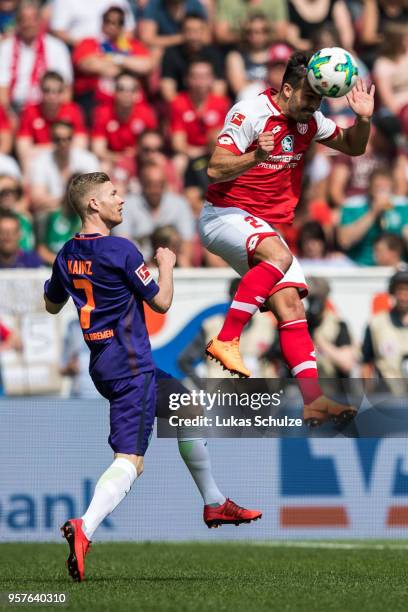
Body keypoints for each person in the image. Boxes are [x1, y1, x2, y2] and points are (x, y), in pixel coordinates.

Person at [44, 172, 261, 582]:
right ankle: (85, 527)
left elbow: (52, 304)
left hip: (106, 364)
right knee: (132, 461)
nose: (121, 199)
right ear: (93, 205)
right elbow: (160, 302)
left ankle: (214, 501)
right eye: (112, 194)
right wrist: (166, 266)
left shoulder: (66, 253)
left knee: (187, 406)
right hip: (131, 366)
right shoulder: (121, 251)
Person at [199, 50, 375, 426]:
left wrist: (363, 118)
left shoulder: (311, 122)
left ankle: (313, 400)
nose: (313, 107)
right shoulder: (249, 113)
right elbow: (214, 169)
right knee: (278, 257)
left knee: (292, 306)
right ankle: (227, 339)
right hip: (224, 215)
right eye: (309, 98)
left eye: (319, 100)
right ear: (288, 89)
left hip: (261, 226)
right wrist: (254, 157)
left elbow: (355, 146)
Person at [72, 5, 152, 117]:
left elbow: (147, 65)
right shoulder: (89, 43)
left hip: (130, 104)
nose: (111, 26)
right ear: (102, 23)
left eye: (117, 23)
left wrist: (115, 59)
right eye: (108, 21)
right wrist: (127, 65)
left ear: (123, 26)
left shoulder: (132, 45)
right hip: (96, 102)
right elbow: (87, 64)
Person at [114, 162, 195, 266]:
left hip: (173, 264)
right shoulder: (126, 205)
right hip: (137, 266)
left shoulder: (179, 204)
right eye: (150, 184)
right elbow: (123, 242)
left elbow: (187, 241)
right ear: (142, 183)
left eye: (160, 184)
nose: (155, 189)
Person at [0, 0, 73, 112]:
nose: (28, 24)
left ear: (40, 21)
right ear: (17, 22)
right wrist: (9, 116)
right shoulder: (5, 47)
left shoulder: (57, 47)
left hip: (46, 109)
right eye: (23, 20)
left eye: (32, 19)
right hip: (13, 108)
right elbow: (2, 91)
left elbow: (65, 90)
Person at [16, 70, 87, 175]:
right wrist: (58, 147)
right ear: (40, 90)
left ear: (63, 92)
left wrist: (43, 148)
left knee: (86, 160)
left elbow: (81, 145)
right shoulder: (30, 111)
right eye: (47, 90)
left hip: (65, 158)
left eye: (57, 91)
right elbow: (23, 150)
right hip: (41, 160)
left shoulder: (73, 110)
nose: (52, 95)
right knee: (27, 162)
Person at [337, 167, 408, 266]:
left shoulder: (402, 206)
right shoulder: (353, 206)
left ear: (393, 189)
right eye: (378, 188)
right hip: (359, 266)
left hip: (395, 267)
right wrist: (374, 212)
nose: (382, 192)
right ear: (370, 189)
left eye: (386, 188)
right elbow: (344, 241)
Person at [91, 71, 157, 174]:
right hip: (113, 160)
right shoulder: (103, 112)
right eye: (121, 89)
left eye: (131, 90)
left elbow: (153, 144)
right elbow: (98, 149)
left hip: (140, 159)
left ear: (137, 94)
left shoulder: (146, 113)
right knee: (103, 167)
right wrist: (120, 158)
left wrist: (135, 154)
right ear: (114, 92)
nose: (126, 93)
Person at [30, 120, 99, 212]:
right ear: (51, 139)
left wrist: (60, 201)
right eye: (58, 139)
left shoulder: (87, 159)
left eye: (68, 138)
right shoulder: (41, 161)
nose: (63, 143)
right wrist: (70, 201)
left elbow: (97, 192)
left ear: (73, 138)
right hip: (53, 213)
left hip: (82, 211)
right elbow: (37, 199)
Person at [362, 268, 408, 395]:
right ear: (393, 292)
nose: (404, 296)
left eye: (407, 291)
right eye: (400, 291)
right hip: (388, 395)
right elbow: (366, 363)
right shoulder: (377, 324)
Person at [160, 13, 225, 102]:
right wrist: (184, 109)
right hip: (180, 106)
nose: (193, 36)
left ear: (203, 32)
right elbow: (168, 90)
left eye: (197, 31)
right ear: (182, 32)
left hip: (208, 106)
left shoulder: (214, 54)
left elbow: (219, 89)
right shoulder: (171, 54)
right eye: (189, 31)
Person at [50, 0, 135, 48]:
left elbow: (129, 31)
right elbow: (58, 30)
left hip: (114, 52)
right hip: (79, 51)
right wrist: (87, 46)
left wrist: (111, 48)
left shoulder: (120, 2)